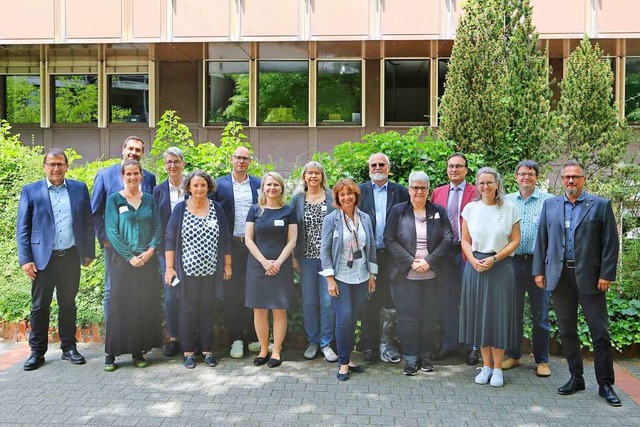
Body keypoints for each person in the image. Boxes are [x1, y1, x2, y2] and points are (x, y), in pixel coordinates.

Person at [533, 160, 621, 407]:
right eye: (566, 177)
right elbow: (542, 240)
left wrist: (606, 274)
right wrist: (539, 271)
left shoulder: (600, 205)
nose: (570, 181)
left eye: (575, 177)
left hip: (591, 277)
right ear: (561, 180)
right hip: (560, 277)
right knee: (567, 330)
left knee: (599, 332)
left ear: (583, 179)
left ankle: (605, 384)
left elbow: (610, 243)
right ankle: (576, 377)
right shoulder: (550, 205)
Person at [17, 149, 95, 371]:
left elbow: (87, 223)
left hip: (70, 255)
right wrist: (26, 259)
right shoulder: (31, 191)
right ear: (44, 167)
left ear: (67, 166)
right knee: (40, 306)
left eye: (60, 164)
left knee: (68, 304)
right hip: (43, 259)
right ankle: (37, 352)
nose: (56, 168)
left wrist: (88, 251)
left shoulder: (79, 189)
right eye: (51, 164)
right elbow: (23, 228)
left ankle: (69, 348)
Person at [384, 171, 453, 376]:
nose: (419, 191)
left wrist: (429, 261)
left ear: (428, 190)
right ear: (409, 189)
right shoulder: (398, 211)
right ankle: (411, 358)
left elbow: (448, 238)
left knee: (429, 317)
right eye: (415, 187)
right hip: (405, 275)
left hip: (432, 275)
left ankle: (425, 356)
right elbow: (389, 239)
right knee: (407, 318)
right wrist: (411, 262)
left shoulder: (438, 211)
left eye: (423, 187)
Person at [459, 167, 521, 387]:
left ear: (497, 184)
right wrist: (472, 260)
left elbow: (515, 240)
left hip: (500, 267)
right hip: (475, 268)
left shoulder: (510, 208)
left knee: (497, 317)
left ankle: (497, 369)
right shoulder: (470, 208)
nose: (485, 187)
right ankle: (485, 366)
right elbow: (465, 240)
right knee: (480, 317)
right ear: (477, 185)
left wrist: (495, 259)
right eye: (481, 183)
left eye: (489, 182)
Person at [164, 171, 232, 369]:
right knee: (187, 310)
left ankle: (207, 350)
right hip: (187, 272)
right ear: (189, 188)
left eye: (203, 185)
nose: (199, 189)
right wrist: (169, 268)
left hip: (211, 271)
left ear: (208, 187)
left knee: (207, 309)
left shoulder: (216, 208)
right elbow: (169, 238)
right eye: (195, 186)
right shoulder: (180, 209)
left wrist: (227, 265)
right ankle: (188, 352)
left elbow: (226, 238)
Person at [103, 159, 162, 371]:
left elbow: (157, 227)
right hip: (122, 262)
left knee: (140, 306)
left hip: (146, 261)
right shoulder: (114, 200)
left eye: (136, 173)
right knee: (119, 307)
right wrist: (130, 256)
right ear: (122, 176)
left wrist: (150, 251)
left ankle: (137, 352)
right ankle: (111, 354)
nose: (132, 177)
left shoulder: (149, 199)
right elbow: (111, 231)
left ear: (141, 176)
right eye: (128, 174)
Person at [91, 136, 156, 324]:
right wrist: (104, 239)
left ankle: (134, 340)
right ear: (123, 149)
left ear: (142, 154)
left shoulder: (149, 177)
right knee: (113, 291)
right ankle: (113, 338)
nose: (134, 153)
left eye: (138, 150)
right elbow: (95, 211)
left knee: (139, 291)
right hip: (114, 246)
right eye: (131, 149)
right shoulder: (105, 175)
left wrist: (151, 244)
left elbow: (152, 212)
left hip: (142, 248)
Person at [320, 179, 377, 381]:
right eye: (342, 194)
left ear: (356, 196)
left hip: (361, 277)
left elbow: (371, 249)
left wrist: (373, 275)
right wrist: (330, 279)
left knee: (353, 320)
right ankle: (343, 363)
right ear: (337, 198)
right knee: (344, 319)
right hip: (340, 277)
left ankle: (348, 357)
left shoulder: (365, 219)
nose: (346, 197)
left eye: (349, 194)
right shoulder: (331, 219)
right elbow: (324, 251)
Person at [502, 160, 554, 377]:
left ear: (536, 177)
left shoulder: (548, 201)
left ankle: (542, 360)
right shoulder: (506, 201)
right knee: (512, 313)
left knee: (540, 314)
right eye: (522, 174)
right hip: (512, 262)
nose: (526, 177)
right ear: (516, 177)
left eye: (531, 174)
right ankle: (513, 355)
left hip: (538, 264)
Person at [357, 153, 409, 363]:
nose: (377, 167)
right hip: (367, 255)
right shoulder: (359, 191)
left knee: (390, 300)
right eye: (373, 165)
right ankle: (368, 345)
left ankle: (387, 344)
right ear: (369, 168)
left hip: (393, 256)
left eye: (382, 164)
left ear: (388, 168)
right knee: (368, 300)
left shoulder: (401, 191)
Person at [245, 172, 297, 368]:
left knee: (278, 309)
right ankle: (263, 349)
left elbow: (292, 240)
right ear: (263, 188)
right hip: (257, 266)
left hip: (281, 266)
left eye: (276, 185)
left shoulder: (288, 210)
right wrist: (265, 263)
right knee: (259, 309)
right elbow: (249, 239)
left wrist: (277, 263)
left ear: (281, 188)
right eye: (268, 185)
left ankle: (276, 350)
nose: (272, 188)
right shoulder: (255, 210)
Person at [431, 153, 479, 365]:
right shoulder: (438, 192)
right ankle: (450, 344)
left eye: (459, 166)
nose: (454, 170)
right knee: (446, 301)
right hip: (445, 254)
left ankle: (472, 347)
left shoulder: (477, 192)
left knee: (470, 301)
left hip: (469, 252)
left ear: (467, 170)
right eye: (451, 166)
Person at [214, 146, 261, 358]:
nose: (241, 161)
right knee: (232, 293)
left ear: (250, 161)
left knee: (253, 291)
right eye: (238, 157)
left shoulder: (259, 184)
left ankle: (253, 337)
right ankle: (236, 339)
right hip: (230, 245)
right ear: (231, 159)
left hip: (253, 245)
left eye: (245, 158)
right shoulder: (219, 184)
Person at [289, 161, 337, 362]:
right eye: (310, 173)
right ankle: (312, 341)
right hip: (305, 258)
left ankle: (326, 343)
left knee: (327, 302)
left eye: (317, 173)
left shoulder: (331, 196)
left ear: (322, 176)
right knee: (309, 301)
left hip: (328, 258)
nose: (314, 177)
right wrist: (292, 256)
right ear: (304, 176)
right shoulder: (298, 199)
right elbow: (290, 228)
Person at [153, 147, 186, 357]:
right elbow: (156, 222)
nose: (172, 166)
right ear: (164, 165)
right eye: (169, 162)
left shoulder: (192, 186)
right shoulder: (158, 191)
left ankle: (191, 336)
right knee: (172, 294)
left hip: (193, 249)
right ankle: (174, 337)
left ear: (183, 163)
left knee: (192, 293)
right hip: (168, 251)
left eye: (176, 161)